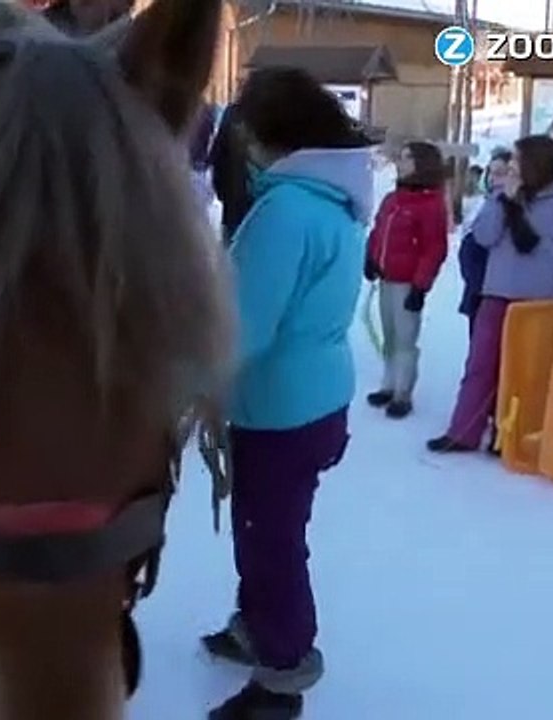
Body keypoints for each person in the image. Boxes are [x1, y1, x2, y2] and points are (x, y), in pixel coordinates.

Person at [201, 67, 376, 720]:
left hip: (279, 409)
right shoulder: (327, 200)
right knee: (267, 529)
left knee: (271, 540)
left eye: (247, 132)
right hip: (312, 400)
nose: (242, 145)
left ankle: (282, 673)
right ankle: (259, 625)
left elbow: (243, 327)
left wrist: (187, 382)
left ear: (271, 134)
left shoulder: (285, 212)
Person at [428, 135, 553, 453]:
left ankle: (512, 434)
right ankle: (464, 431)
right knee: (480, 365)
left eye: (517, 160)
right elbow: (484, 237)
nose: (511, 166)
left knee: (525, 371)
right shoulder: (499, 197)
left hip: (538, 303)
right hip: (496, 294)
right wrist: (502, 201)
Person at [363, 141, 449, 418]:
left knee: (405, 339)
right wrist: (370, 256)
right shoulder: (393, 199)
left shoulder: (430, 204)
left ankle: (403, 392)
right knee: (389, 335)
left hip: (407, 282)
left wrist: (420, 286)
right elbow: (378, 231)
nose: (400, 163)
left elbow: (434, 248)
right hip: (386, 278)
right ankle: (388, 384)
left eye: (407, 158)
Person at [458, 148, 512, 334]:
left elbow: (486, 238)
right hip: (478, 289)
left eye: (500, 173)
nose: (494, 179)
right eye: (491, 172)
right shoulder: (484, 203)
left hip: (494, 292)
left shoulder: (507, 207)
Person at [208, 103, 256, 245]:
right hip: (265, 205)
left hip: (234, 205)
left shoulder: (233, 114)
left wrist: (223, 194)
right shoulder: (280, 115)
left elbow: (217, 157)